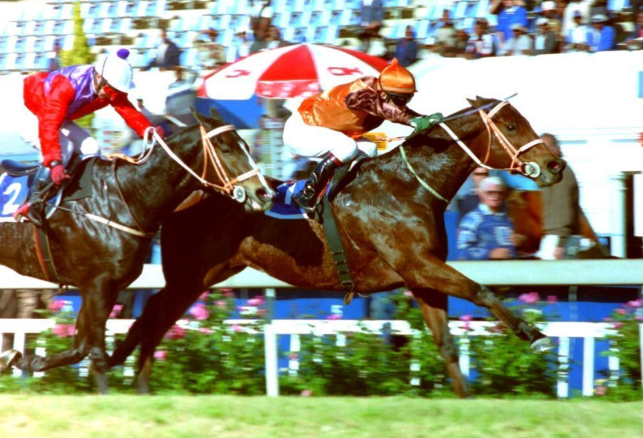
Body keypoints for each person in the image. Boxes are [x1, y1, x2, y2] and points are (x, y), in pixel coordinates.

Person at [15, 49, 164, 226]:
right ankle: (31, 205)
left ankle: (77, 199)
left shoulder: (108, 85)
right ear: (99, 77)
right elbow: (49, 126)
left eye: (116, 92)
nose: (111, 95)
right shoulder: (67, 85)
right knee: (65, 149)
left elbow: (127, 109)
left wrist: (148, 130)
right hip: (32, 116)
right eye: (110, 90)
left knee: (92, 148)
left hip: (58, 117)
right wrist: (55, 163)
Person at [282, 58, 443, 214]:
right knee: (347, 147)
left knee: (369, 148)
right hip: (301, 131)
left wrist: (422, 119)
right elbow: (385, 109)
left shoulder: (383, 95)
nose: (404, 105)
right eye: (401, 100)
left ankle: (348, 194)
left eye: (408, 99)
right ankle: (307, 194)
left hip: (321, 131)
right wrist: (414, 121)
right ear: (384, 94)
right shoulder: (361, 92)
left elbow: (395, 110)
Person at [456, 176, 524, 260]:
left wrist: (520, 240)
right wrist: (490, 254)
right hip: (485, 266)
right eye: (490, 192)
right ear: (481, 194)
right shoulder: (472, 219)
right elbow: (463, 252)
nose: (495, 196)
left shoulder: (507, 219)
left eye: (499, 193)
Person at [537, 133, 582, 260]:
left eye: (546, 148)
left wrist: (560, 242)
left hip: (558, 239)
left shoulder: (560, 173)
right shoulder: (552, 173)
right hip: (559, 237)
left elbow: (563, 208)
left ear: (557, 149)